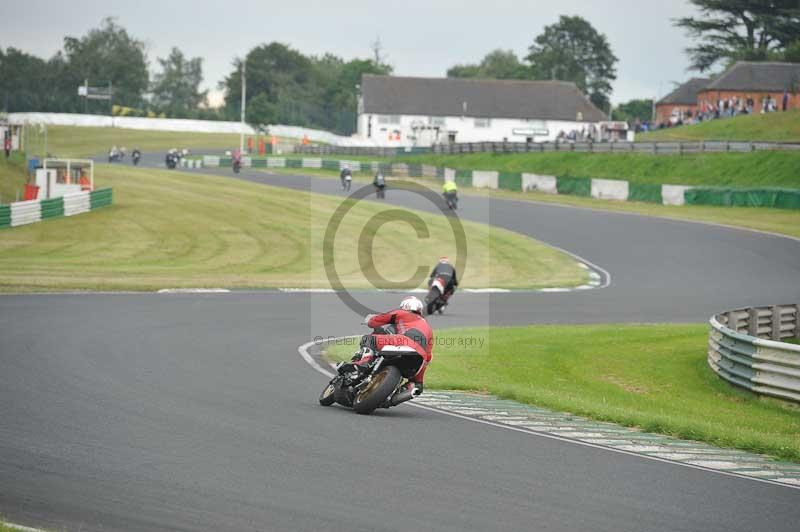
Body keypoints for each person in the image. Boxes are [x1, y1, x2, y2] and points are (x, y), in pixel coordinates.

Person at [353, 296, 433, 397]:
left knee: (369, 339)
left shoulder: (402, 313)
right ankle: (404, 391)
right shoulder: (428, 328)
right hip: (419, 356)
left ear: (404, 306)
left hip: (403, 342)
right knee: (416, 384)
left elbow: (377, 320)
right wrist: (419, 379)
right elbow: (428, 357)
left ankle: (364, 362)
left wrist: (369, 320)